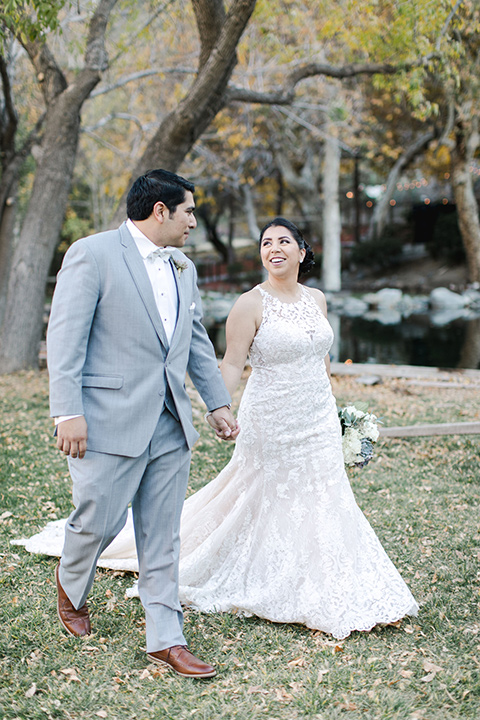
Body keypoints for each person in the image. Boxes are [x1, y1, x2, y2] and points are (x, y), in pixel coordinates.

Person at [24, 217, 418, 641]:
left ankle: (328, 577)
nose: (274, 248)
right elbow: (231, 362)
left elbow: (321, 358)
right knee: (264, 493)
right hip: (272, 417)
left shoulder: (318, 299)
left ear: (303, 252)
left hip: (318, 416)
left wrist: (335, 412)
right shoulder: (250, 303)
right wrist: (220, 407)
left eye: (284, 241)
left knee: (326, 494)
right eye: (267, 242)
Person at [46, 169, 238, 679]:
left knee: (162, 534)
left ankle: (165, 639)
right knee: (98, 521)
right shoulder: (92, 254)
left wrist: (217, 403)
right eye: (189, 211)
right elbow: (66, 339)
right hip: (107, 418)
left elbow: (194, 340)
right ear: (161, 211)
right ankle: (71, 579)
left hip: (171, 421)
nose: (194, 221)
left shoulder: (183, 268)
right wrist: (69, 413)